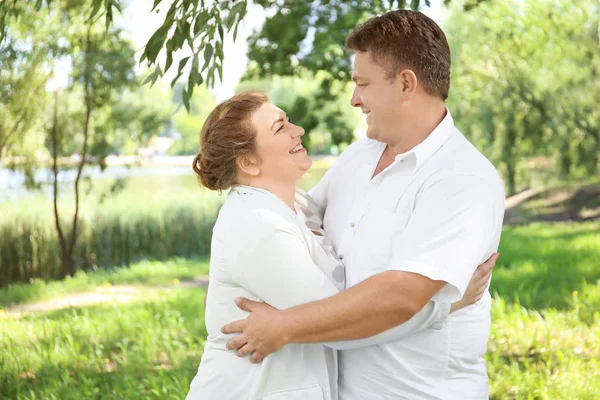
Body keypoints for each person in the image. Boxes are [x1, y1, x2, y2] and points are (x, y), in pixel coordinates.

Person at [221, 10, 506, 400]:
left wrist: (284, 327)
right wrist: (234, 271)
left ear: (406, 84)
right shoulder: (359, 156)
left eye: (363, 84)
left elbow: (399, 298)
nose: (354, 99)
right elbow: (293, 216)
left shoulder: (462, 179)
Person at [185, 91, 497, 400]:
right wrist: (447, 302)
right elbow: (344, 322)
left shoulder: (296, 205)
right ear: (249, 162)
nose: (298, 130)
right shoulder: (259, 226)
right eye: (280, 127)